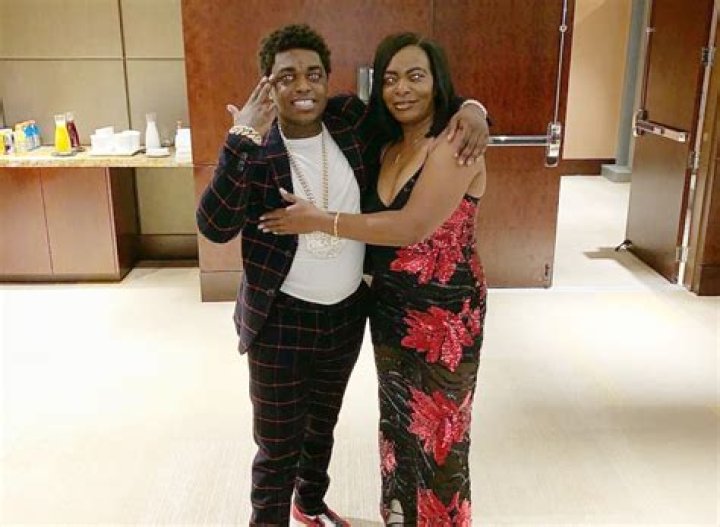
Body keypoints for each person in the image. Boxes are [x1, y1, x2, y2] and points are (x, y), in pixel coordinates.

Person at [195, 25, 489, 526]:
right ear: (267, 84)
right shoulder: (257, 146)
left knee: (322, 428)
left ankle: (309, 505)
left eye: (314, 74)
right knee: (277, 444)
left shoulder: (350, 121)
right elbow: (214, 225)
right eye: (287, 76)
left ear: (328, 80)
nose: (303, 86)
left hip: (350, 313)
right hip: (281, 318)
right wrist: (240, 139)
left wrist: (475, 109)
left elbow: (419, 104)